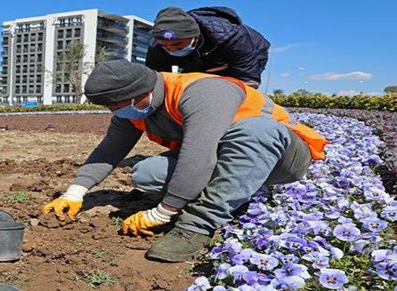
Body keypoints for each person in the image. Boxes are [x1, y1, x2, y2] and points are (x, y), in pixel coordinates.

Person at [42, 60, 328, 262]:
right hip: (225, 156)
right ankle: (227, 193)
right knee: (145, 173)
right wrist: (75, 192)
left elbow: (199, 155)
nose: (116, 112)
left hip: (281, 157)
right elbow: (108, 152)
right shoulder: (135, 108)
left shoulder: (202, 91)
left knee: (255, 129)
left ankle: (197, 225)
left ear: (144, 92)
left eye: (117, 106)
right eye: (110, 108)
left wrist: (162, 213)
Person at [146, 6, 270, 88]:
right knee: (190, 85)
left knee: (226, 90)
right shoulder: (156, 47)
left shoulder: (232, 37)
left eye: (177, 44)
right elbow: (155, 81)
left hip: (251, 51)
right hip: (200, 60)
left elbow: (249, 80)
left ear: (195, 36)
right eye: (165, 46)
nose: (171, 50)